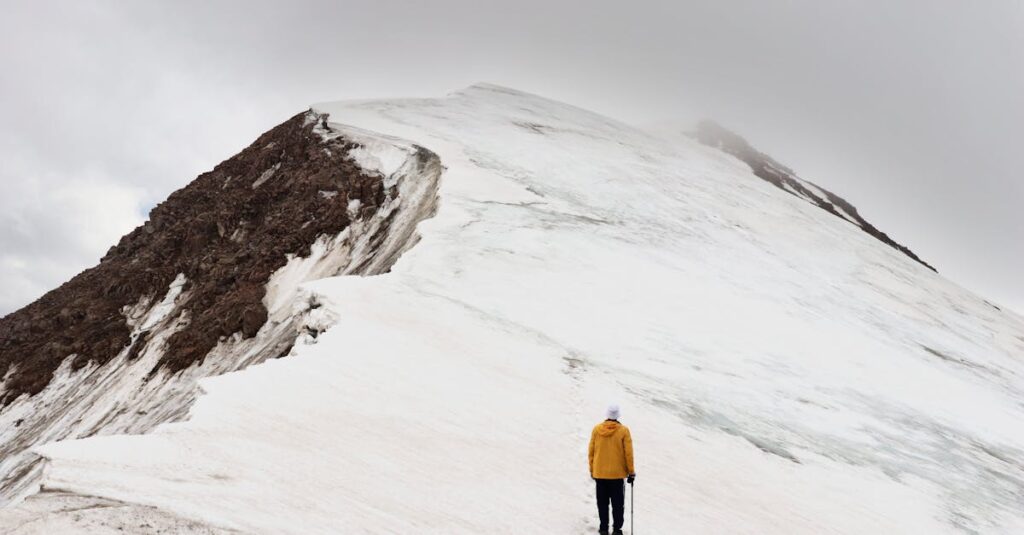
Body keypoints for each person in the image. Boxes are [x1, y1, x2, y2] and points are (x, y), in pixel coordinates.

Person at [588, 404, 635, 535]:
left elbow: (591, 451)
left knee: (602, 503)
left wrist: (592, 469)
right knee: (618, 505)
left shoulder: (597, 429)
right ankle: (617, 530)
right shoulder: (624, 431)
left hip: (600, 473)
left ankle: (603, 529)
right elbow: (628, 454)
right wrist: (631, 472)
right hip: (617, 475)